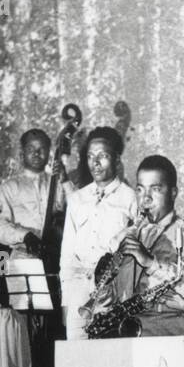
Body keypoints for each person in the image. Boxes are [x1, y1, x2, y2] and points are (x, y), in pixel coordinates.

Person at [86, 155, 184, 367]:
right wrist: (104, 284)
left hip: (173, 333)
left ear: (173, 193)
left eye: (155, 190)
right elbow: (112, 298)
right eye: (140, 190)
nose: (146, 199)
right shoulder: (126, 237)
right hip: (130, 339)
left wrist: (152, 263)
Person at [57, 127, 139, 339]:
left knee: (110, 355)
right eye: (90, 157)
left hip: (113, 290)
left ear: (117, 158)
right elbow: (67, 254)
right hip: (79, 291)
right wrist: (67, 302)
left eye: (102, 156)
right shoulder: (77, 199)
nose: (95, 162)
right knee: (76, 357)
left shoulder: (131, 198)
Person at [0, 129, 72, 262]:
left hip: (57, 257)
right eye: (30, 148)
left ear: (49, 154)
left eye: (42, 149)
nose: (36, 153)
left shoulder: (59, 182)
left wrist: (66, 181)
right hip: (22, 258)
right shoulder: (9, 187)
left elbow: (82, 210)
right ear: (22, 155)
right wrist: (25, 236)